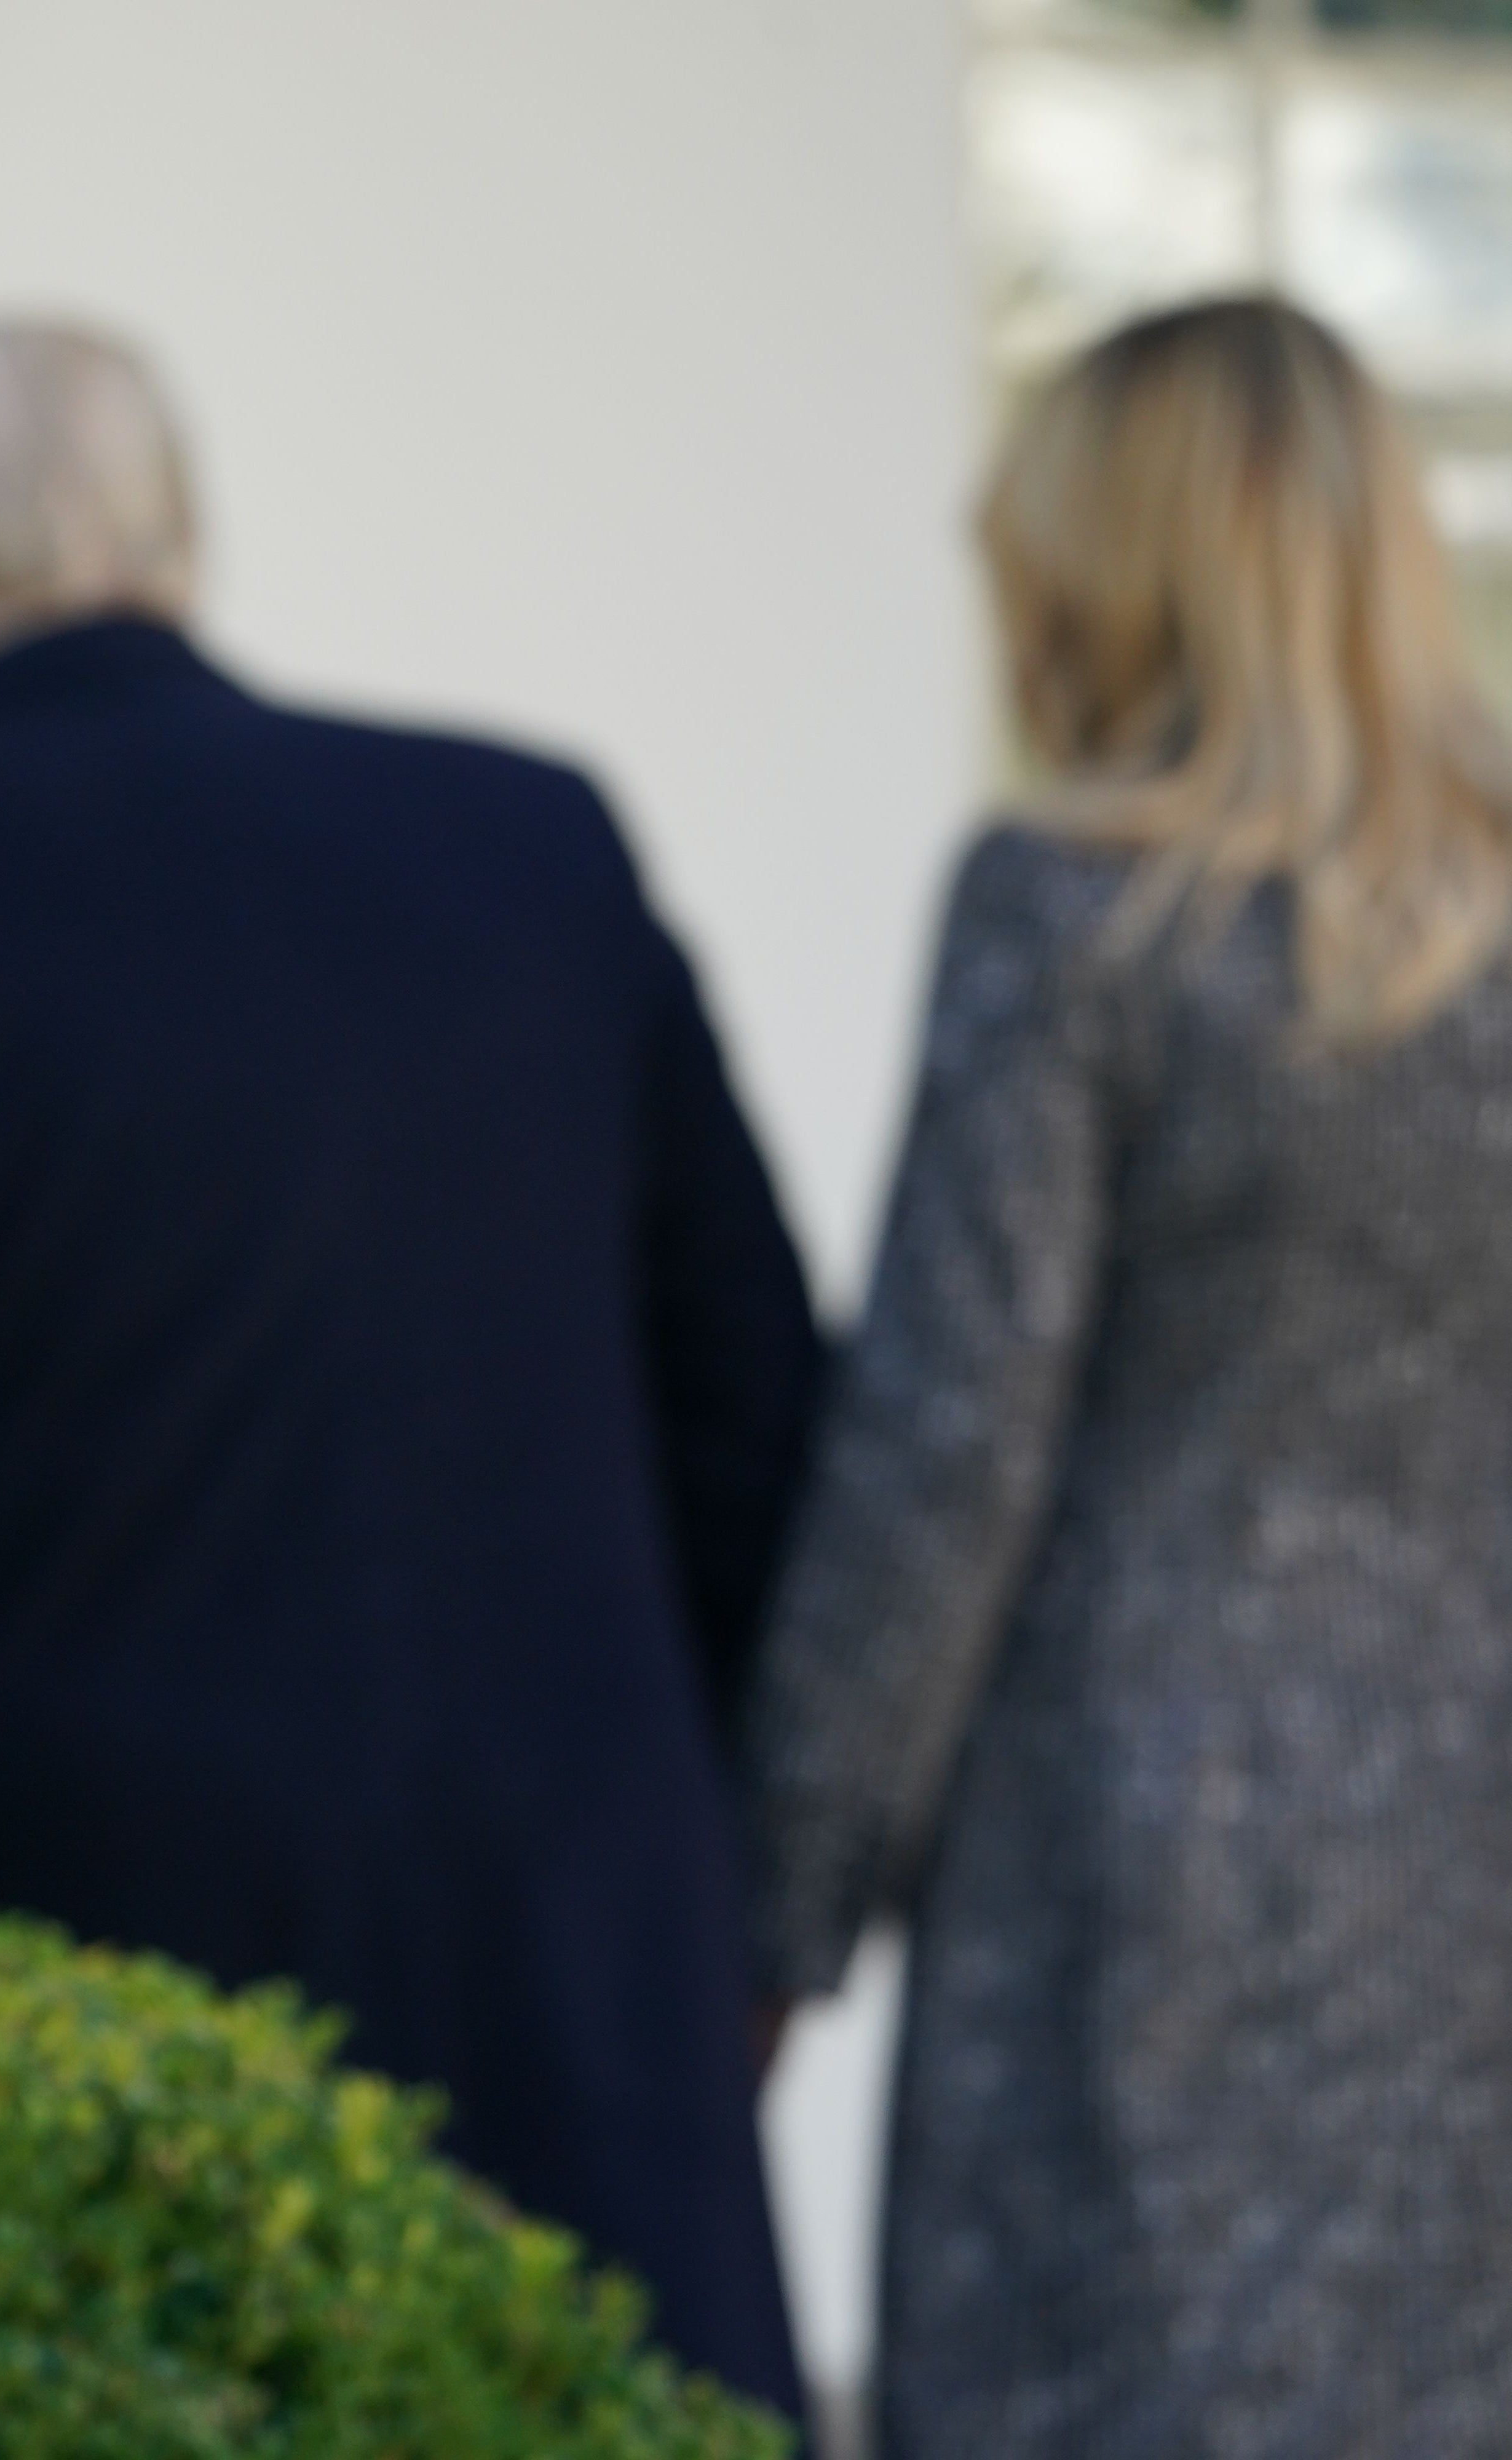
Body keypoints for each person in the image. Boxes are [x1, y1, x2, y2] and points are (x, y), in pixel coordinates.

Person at [0, 320, 819, 2418]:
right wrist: (731, 1895)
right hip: (581, 1990)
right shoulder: (533, 846)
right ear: (175, 537)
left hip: (98, 2043)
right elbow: (757, 1406)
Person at [745, 296, 1512, 2459]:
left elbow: (946, 1444)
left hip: (1135, 1886)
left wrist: (774, 1905)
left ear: (1110, 567)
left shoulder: (1074, 912)